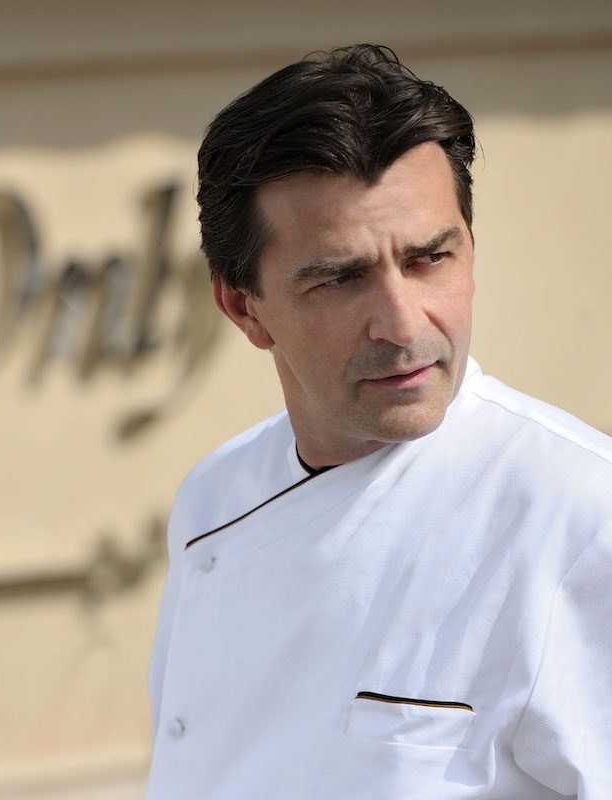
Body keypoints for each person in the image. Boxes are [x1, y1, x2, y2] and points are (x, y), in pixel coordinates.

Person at [144, 44, 612, 799]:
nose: (403, 324)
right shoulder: (215, 498)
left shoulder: (584, 516)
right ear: (242, 307)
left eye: (430, 258)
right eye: (340, 278)